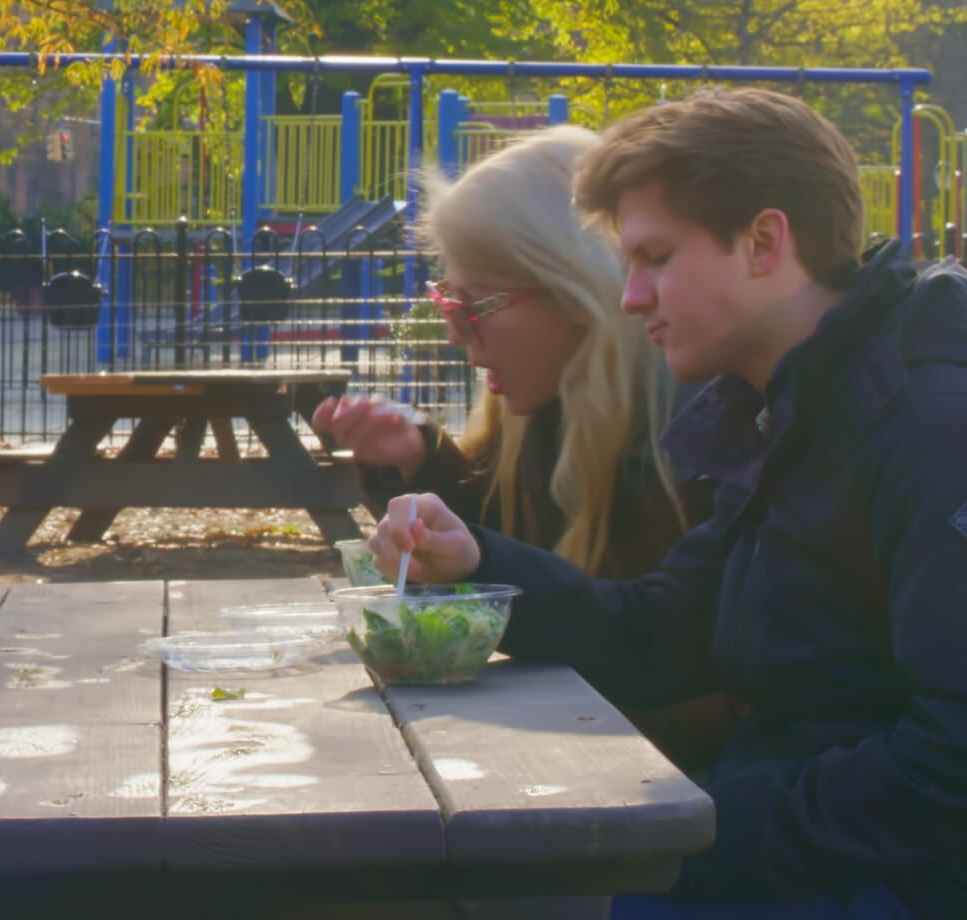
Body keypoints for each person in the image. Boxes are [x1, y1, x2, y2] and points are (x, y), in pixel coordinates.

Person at [370, 88, 967, 918]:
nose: (630, 297)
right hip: (794, 854)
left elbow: (951, 768)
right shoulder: (787, 408)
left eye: (655, 258)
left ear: (764, 241)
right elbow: (662, 633)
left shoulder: (929, 428)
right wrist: (478, 563)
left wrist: (695, 837)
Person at [312, 126, 734, 769]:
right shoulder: (548, 413)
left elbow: (653, 652)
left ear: (576, 295)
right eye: (447, 300)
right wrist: (421, 467)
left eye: (477, 304)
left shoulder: (693, 447)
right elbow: (534, 569)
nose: (457, 334)